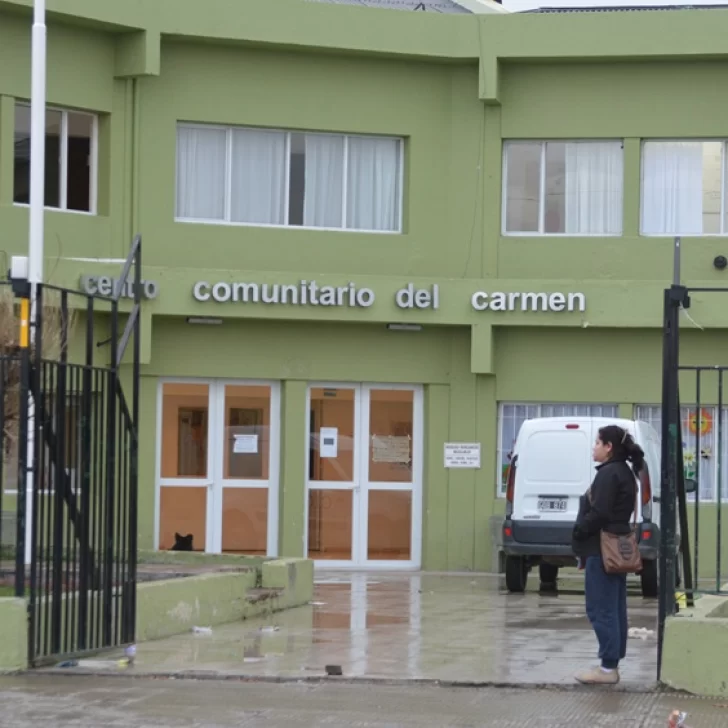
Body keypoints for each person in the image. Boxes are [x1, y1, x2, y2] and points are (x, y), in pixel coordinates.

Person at [571, 424, 644, 685]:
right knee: (614, 608)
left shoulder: (608, 474)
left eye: (597, 443)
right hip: (615, 549)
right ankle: (611, 663)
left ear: (609, 447)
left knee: (601, 608)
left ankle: (607, 668)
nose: (594, 447)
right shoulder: (625, 472)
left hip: (602, 550)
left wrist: (580, 530)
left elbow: (599, 513)